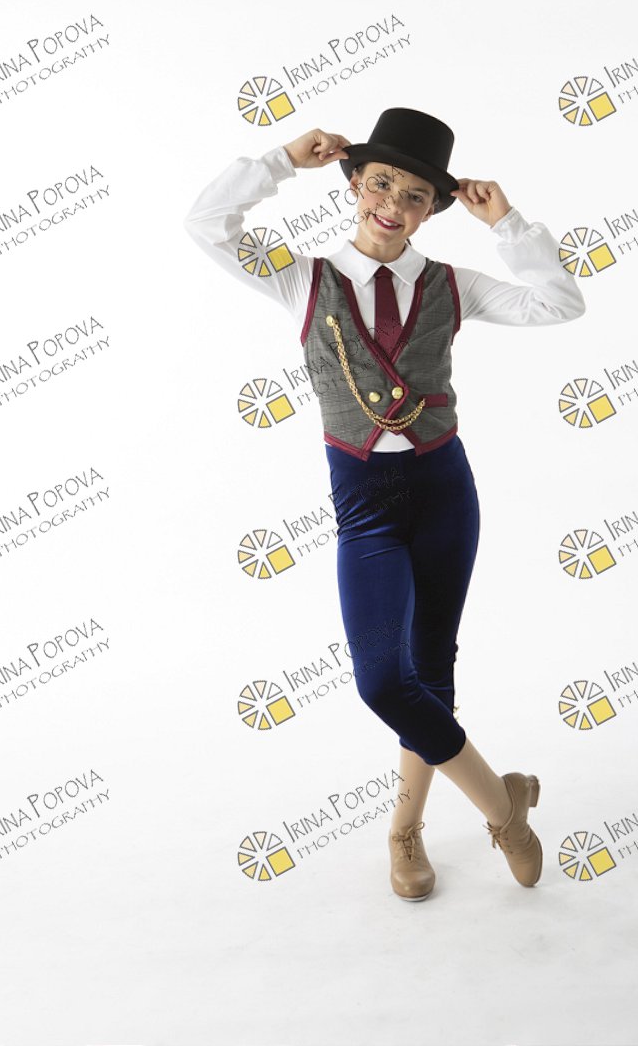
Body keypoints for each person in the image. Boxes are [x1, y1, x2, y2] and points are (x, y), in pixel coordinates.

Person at [183, 107, 586, 900]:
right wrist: (279, 160)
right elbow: (205, 224)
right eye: (380, 184)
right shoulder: (302, 278)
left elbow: (560, 303)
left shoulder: (452, 285)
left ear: (434, 208)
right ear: (354, 185)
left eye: (413, 194)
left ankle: (404, 830)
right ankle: (503, 806)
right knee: (381, 679)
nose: (392, 204)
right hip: (364, 503)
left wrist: (507, 224)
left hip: (445, 491)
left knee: (431, 668)